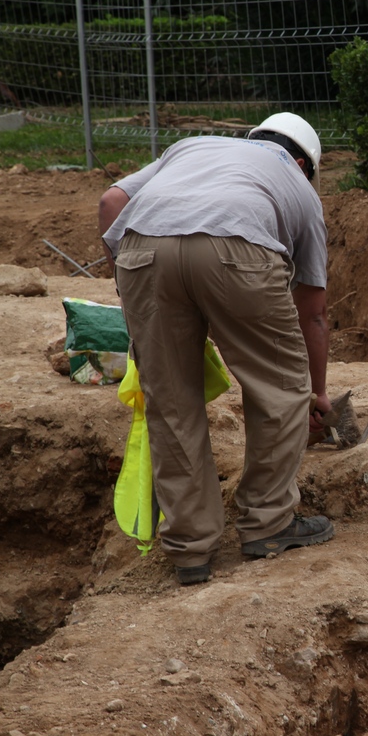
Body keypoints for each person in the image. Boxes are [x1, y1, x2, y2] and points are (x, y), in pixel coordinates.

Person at [98, 112, 335, 585]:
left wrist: (132, 282)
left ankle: (190, 549)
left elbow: (112, 200)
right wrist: (316, 393)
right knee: (278, 388)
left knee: (170, 401)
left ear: (252, 138)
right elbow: (311, 311)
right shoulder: (301, 190)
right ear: (305, 163)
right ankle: (269, 524)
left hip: (143, 249)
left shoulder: (192, 147)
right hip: (239, 249)